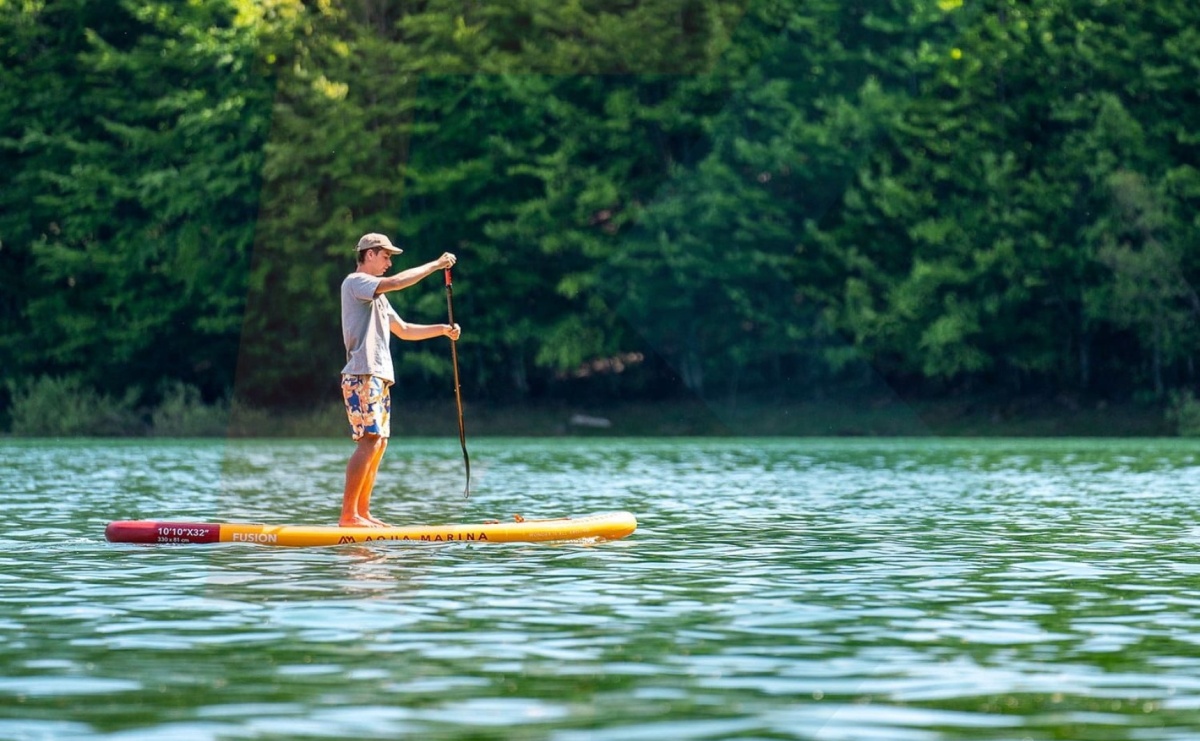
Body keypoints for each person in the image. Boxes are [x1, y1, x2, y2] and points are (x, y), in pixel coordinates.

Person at [339, 232, 459, 527]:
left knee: (378, 444)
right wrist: (434, 265)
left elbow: (404, 329)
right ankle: (348, 516)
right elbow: (397, 283)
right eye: (386, 256)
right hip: (362, 373)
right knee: (368, 441)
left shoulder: (378, 299)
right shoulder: (356, 283)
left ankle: (362, 513)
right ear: (369, 254)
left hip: (379, 376)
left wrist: (442, 329)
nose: (389, 262)